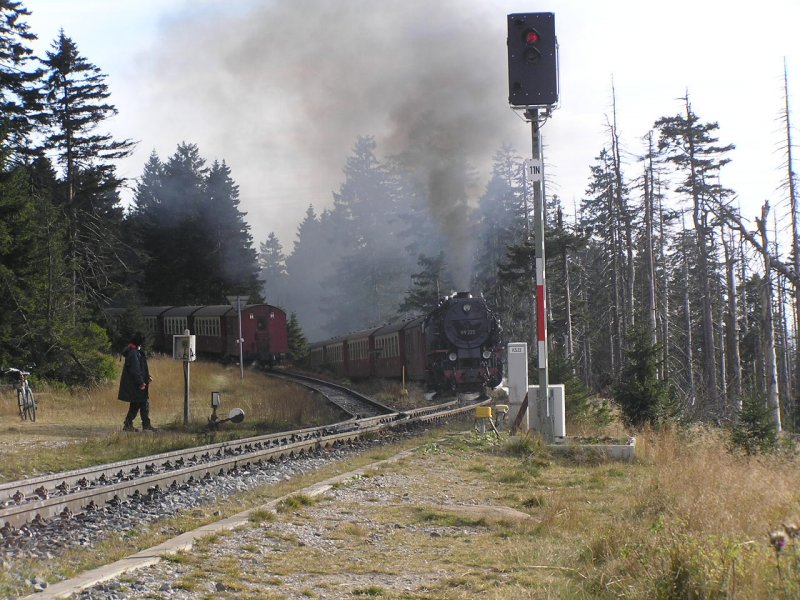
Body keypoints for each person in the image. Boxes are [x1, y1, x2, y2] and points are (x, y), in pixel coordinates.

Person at [118, 331, 157, 432]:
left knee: (136, 404)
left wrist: (147, 377)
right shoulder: (134, 353)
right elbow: (135, 370)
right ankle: (145, 425)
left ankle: (129, 424)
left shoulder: (135, 351)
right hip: (136, 385)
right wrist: (141, 382)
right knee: (143, 403)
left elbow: (140, 368)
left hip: (135, 384)